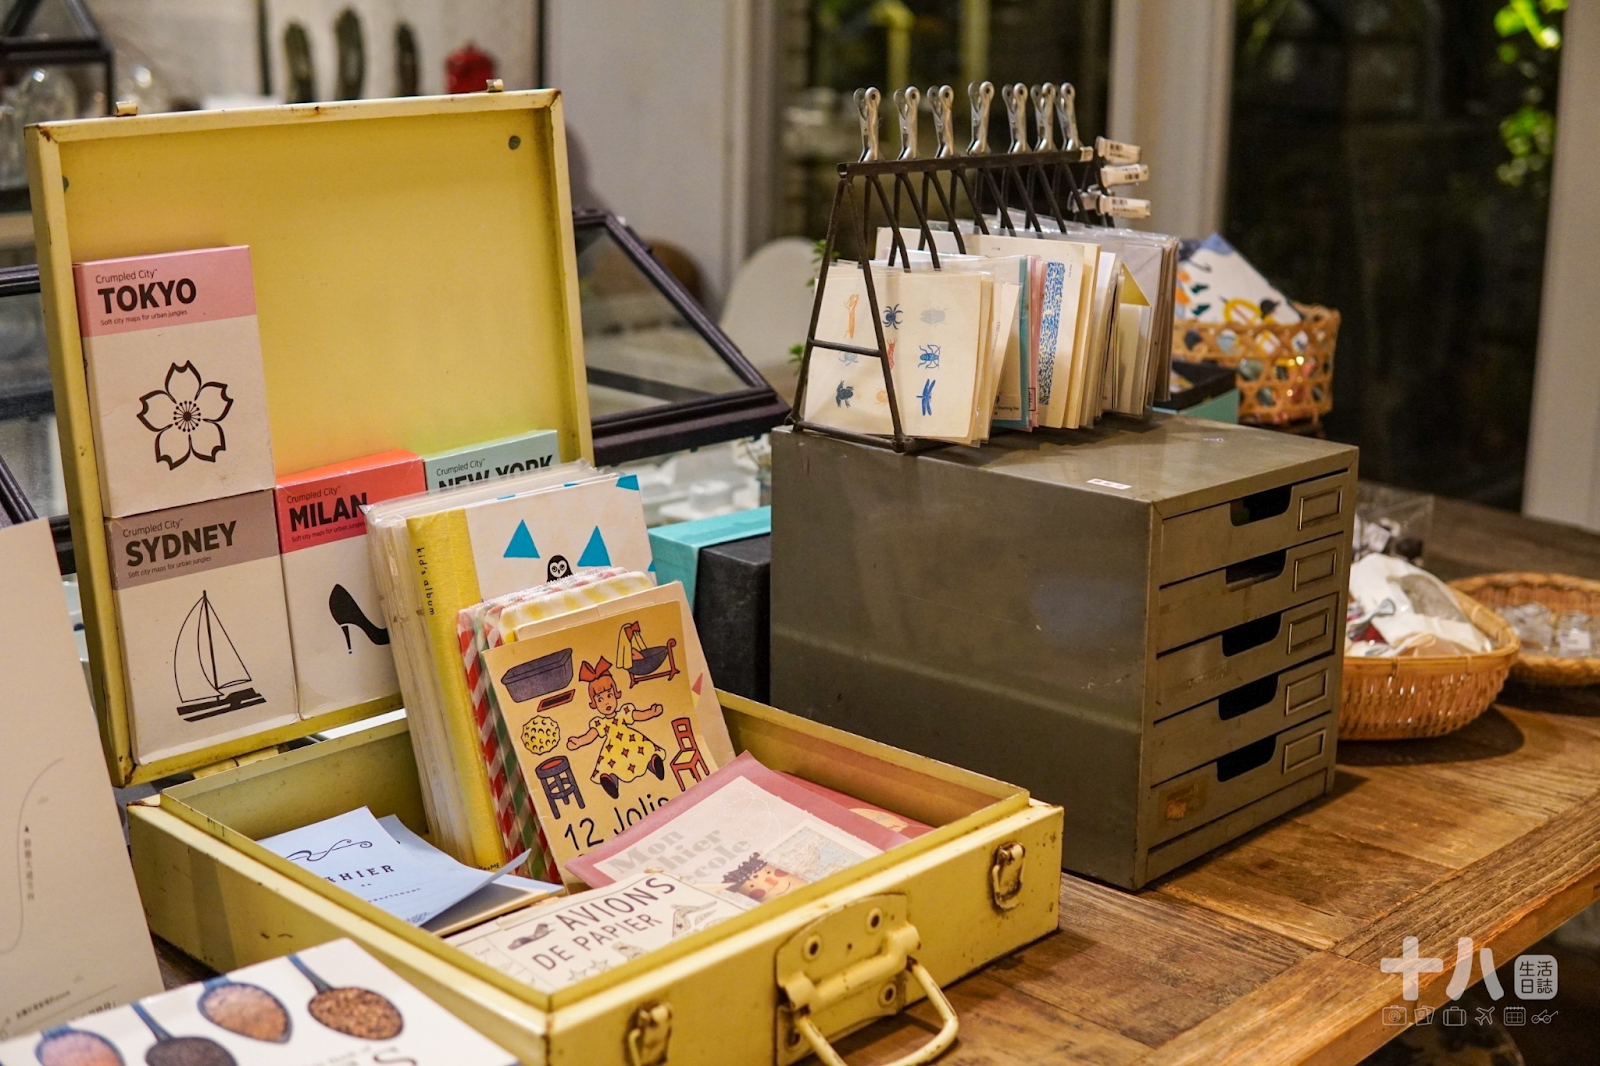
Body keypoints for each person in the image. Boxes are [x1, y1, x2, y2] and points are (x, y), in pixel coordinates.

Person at [566, 656, 667, 799]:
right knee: (610, 764)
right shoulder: (600, 723)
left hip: (632, 742)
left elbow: (638, 715)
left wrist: (651, 713)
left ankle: (653, 764)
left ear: (616, 694)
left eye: (609, 695)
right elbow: (591, 735)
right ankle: (611, 782)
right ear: (594, 703)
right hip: (612, 749)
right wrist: (579, 741)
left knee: (644, 751)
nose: (606, 702)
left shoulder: (624, 712)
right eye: (600, 699)